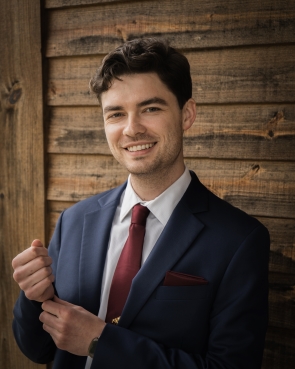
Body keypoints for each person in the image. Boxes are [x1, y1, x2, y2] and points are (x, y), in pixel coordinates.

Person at [12, 38, 270, 369]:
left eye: (151, 108)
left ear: (186, 114)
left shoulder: (240, 240)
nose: (132, 129)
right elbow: (38, 350)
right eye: (116, 113)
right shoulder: (73, 221)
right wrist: (33, 298)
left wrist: (98, 343)